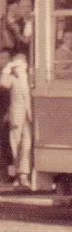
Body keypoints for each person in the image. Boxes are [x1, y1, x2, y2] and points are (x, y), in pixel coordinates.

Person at [1, 51, 32, 188]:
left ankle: (24, 174)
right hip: (16, 116)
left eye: (23, 62)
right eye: (18, 63)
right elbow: (3, 84)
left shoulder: (30, 78)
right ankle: (15, 174)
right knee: (15, 146)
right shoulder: (12, 78)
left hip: (28, 116)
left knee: (27, 145)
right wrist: (7, 69)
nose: (22, 65)